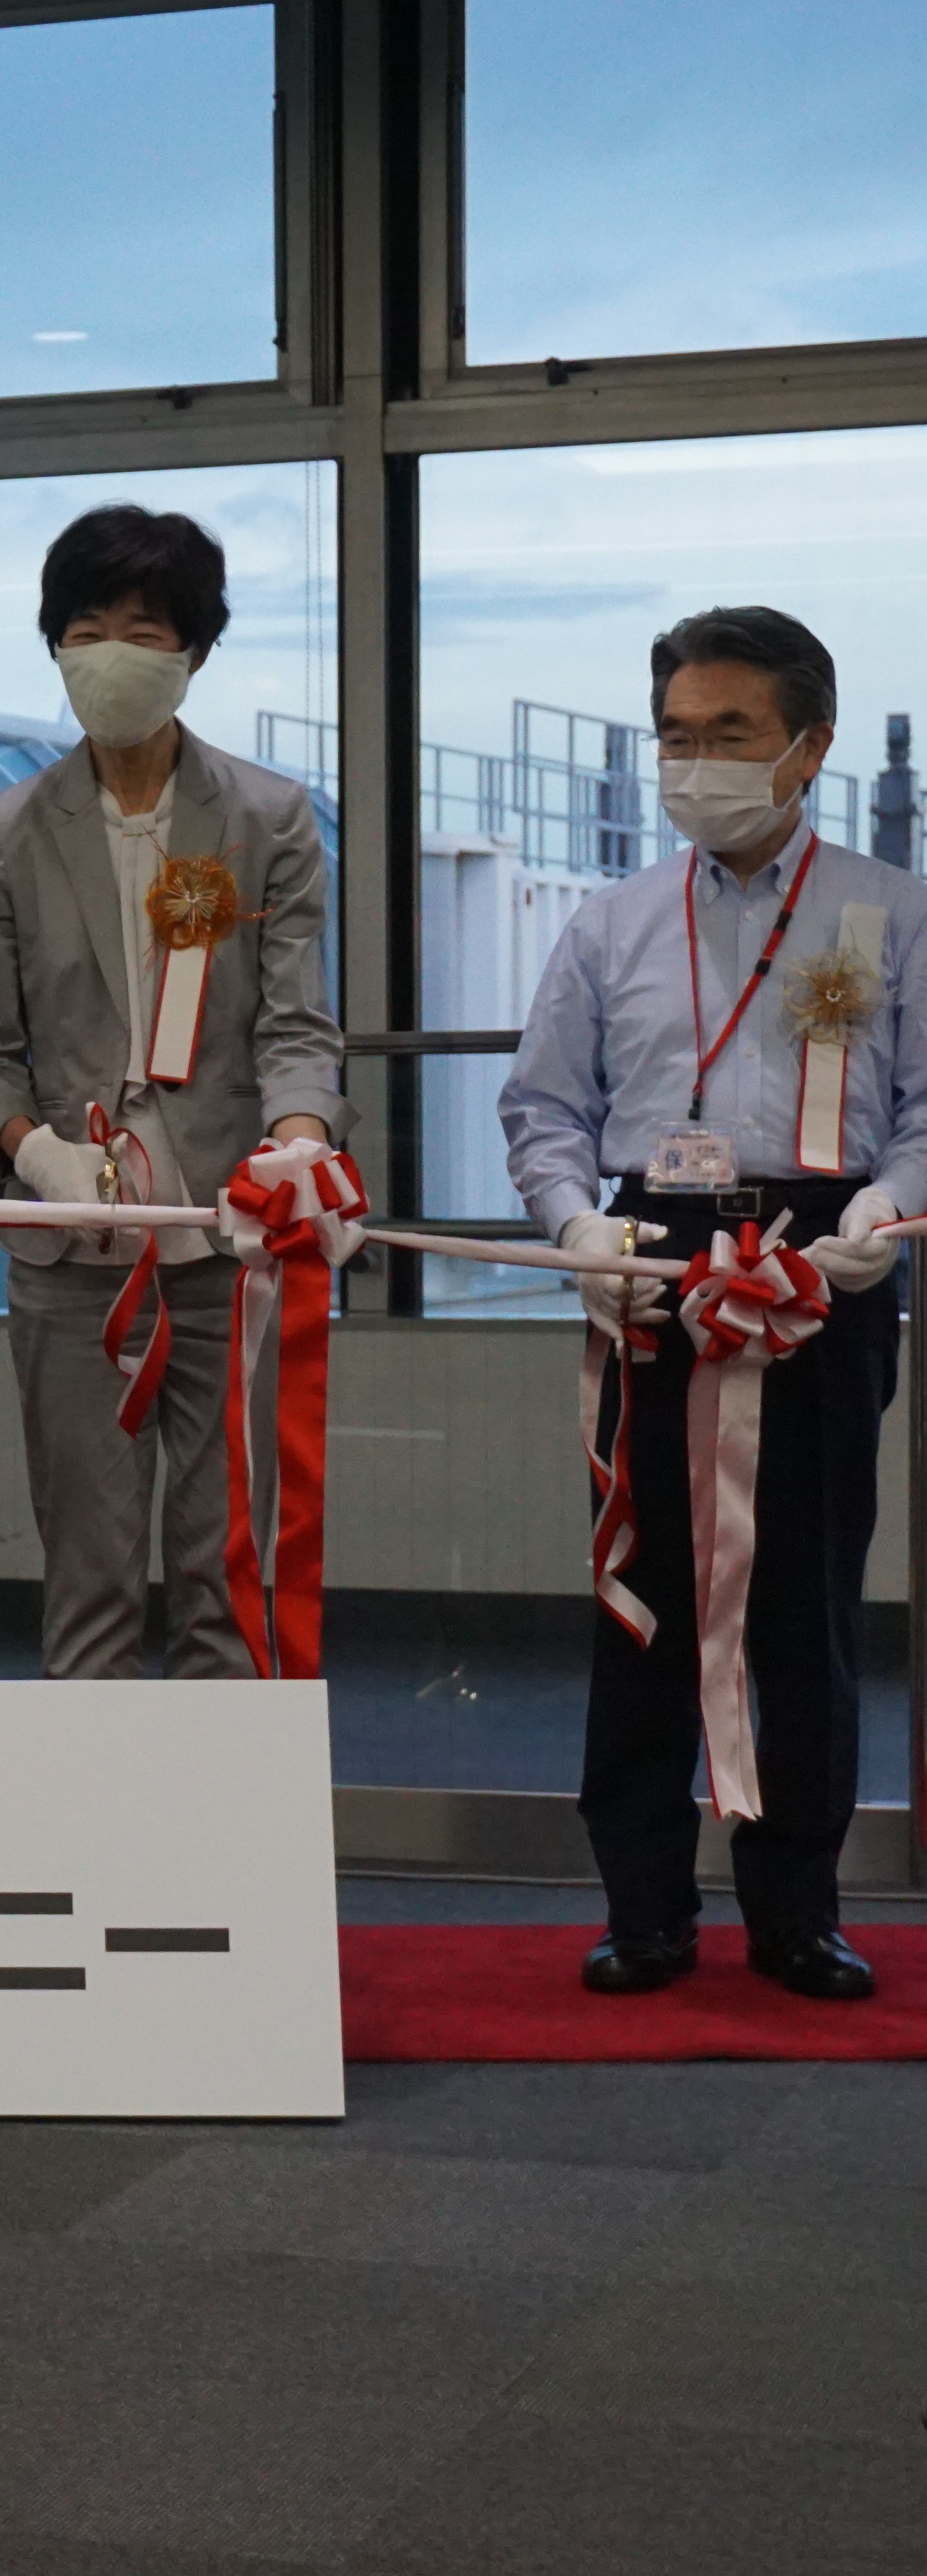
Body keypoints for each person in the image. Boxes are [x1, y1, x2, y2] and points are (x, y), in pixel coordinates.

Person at [499, 606, 919, 2003]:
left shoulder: (891, 908)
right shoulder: (611, 919)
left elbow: (926, 1111)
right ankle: (644, 1906)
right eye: (675, 737)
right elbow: (544, 1106)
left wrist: (884, 1212)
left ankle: (798, 1907)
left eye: (728, 736)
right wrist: (575, 1226)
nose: (695, 764)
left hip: (825, 1257)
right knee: (643, 1589)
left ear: (809, 745)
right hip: (650, 1260)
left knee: (803, 1593)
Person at [0, 505, 351, 1680]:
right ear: (56, 646)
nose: (113, 650)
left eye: (144, 626)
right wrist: (34, 1154)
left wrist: (297, 1143)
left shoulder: (268, 819)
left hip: (233, 1249)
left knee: (228, 1579)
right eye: (88, 625)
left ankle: (214, 1854)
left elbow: (296, 1025)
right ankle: (92, 1855)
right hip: (77, 1262)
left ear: (192, 652)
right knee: (89, 1586)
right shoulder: (6, 832)